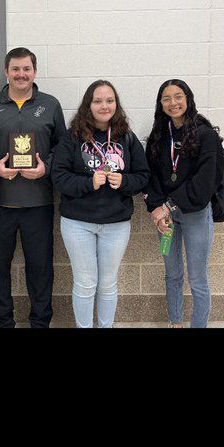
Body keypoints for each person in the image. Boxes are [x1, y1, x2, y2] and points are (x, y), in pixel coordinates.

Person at [0, 47, 67, 328]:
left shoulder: (50, 105)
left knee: (40, 270)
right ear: (6, 71)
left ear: (35, 71)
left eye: (26, 69)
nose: (21, 74)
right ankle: (3, 323)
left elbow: (62, 149)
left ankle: (40, 323)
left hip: (38, 205)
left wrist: (45, 168)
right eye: (15, 69)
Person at [51, 80, 149, 329]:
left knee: (107, 283)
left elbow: (143, 176)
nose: (104, 106)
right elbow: (59, 177)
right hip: (77, 223)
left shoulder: (126, 137)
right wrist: (89, 183)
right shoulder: (72, 137)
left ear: (116, 104)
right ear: (88, 105)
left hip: (116, 223)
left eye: (109, 100)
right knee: (85, 283)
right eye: (97, 101)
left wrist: (124, 181)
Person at [144, 79, 224, 329]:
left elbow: (203, 184)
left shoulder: (206, 136)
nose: (173, 103)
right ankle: (175, 322)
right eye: (166, 98)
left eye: (178, 96)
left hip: (195, 215)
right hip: (165, 219)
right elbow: (150, 176)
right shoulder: (158, 136)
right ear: (160, 104)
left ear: (188, 99)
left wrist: (168, 206)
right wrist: (158, 209)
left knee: (197, 278)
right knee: (172, 274)